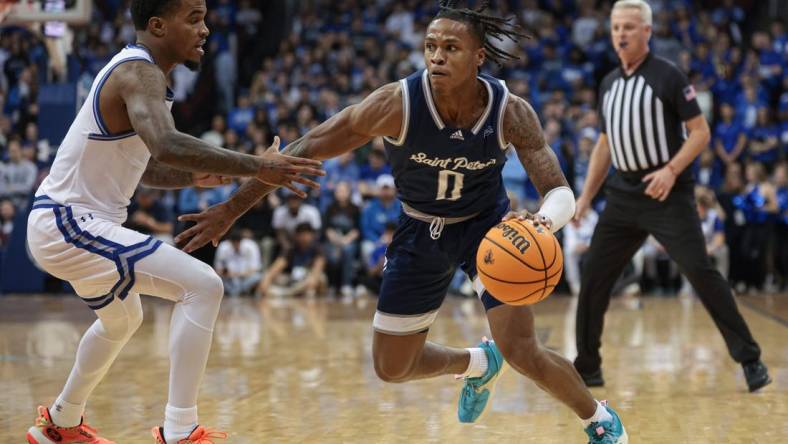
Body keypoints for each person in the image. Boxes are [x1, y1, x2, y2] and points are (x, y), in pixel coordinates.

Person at [177, 1, 627, 441]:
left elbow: (560, 191)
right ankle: (476, 363)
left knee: (523, 351)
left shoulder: (510, 111)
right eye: (431, 45)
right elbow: (303, 149)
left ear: (479, 56)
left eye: (451, 47)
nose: (437, 55)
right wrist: (229, 209)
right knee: (391, 367)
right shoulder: (395, 104)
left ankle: (600, 421)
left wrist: (543, 223)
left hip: (487, 231)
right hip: (419, 229)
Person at [24, 1, 323, 443]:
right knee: (203, 285)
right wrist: (256, 166)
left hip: (68, 224)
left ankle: (60, 424)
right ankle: (180, 431)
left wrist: (198, 177)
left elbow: (146, 165)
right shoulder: (139, 72)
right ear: (158, 26)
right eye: (194, 18)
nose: (205, 29)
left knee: (122, 321)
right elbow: (165, 144)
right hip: (69, 221)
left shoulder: (148, 80)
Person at [572, 0, 770, 393]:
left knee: (701, 271)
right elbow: (605, 146)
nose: (621, 34)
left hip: (668, 193)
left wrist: (670, 169)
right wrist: (585, 197)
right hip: (623, 195)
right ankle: (588, 367)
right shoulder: (609, 83)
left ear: (647, 32)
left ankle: (749, 358)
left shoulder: (669, 76)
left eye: (629, 27)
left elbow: (700, 133)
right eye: (615, 27)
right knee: (594, 275)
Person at [214, 229, 262, 297]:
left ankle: (240, 291)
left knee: (258, 277)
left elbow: (255, 268)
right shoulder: (223, 247)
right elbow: (218, 270)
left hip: (245, 278)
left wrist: (239, 274)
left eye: (238, 242)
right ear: (230, 242)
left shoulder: (251, 246)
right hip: (229, 279)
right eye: (233, 243)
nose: (236, 245)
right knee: (217, 279)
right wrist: (227, 273)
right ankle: (238, 292)